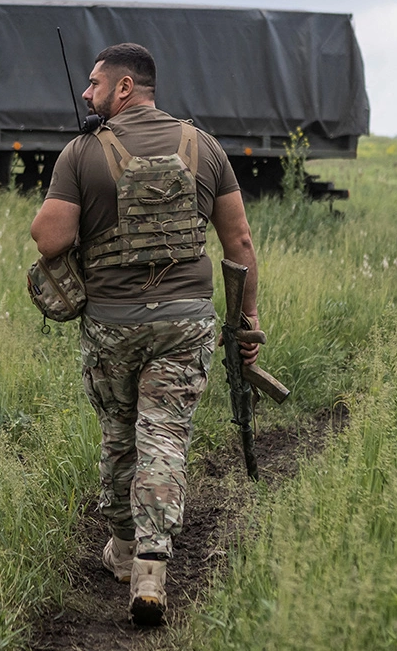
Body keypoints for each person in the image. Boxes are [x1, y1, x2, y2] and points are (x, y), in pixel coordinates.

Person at [30, 43, 261, 626]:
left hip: (113, 324)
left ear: (125, 87)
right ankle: (154, 569)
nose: (87, 94)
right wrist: (246, 323)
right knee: (165, 435)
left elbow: (48, 239)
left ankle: (125, 552)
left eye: (95, 84)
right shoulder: (203, 147)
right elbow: (240, 245)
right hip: (186, 321)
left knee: (120, 433)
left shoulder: (81, 152)